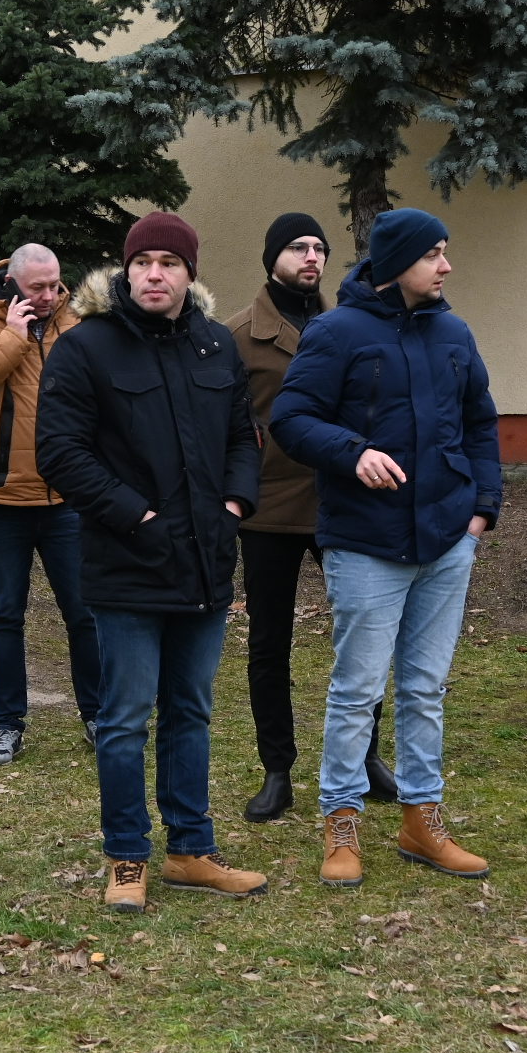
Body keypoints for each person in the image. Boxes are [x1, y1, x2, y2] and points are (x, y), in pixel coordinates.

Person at [35, 213, 270, 913]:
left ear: (190, 274)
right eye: (144, 263)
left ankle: (191, 850)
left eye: (170, 262)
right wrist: (135, 515)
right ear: (125, 271)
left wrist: (234, 507)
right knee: (125, 720)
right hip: (126, 568)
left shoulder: (215, 346)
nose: (155, 274)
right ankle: (127, 856)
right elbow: (61, 452)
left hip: (205, 565)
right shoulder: (87, 349)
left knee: (191, 712)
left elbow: (243, 438)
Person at [273, 208, 502, 888]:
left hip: (446, 540)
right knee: (357, 693)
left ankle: (421, 821)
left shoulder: (455, 333)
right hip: (366, 543)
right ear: (399, 260)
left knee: (425, 688)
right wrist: (353, 453)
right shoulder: (336, 331)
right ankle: (341, 824)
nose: (446, 266)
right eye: (435, 253)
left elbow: (481, 424)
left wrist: (482, 509)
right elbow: (291, 418)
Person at [223, 210, 399, 823]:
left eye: (320, 248)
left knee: (363, 635)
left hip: (342, 500)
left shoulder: (348, 326)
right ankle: (277, 769)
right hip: (269, 507)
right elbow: (227, 426)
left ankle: (366, 758)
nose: (312, 258)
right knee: (270, 642)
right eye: (297, 247)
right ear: (272, 257)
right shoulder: (237, 335)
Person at [0, 242, 105, 765]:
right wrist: (12, 336)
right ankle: (8, 724)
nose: (51, 296)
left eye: (56, 285)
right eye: (39, 287)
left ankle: (97, 716)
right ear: (11, 284)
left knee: (84, 613)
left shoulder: (77, 323)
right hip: (0, 496)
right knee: (5, 616)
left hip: (67, 499)